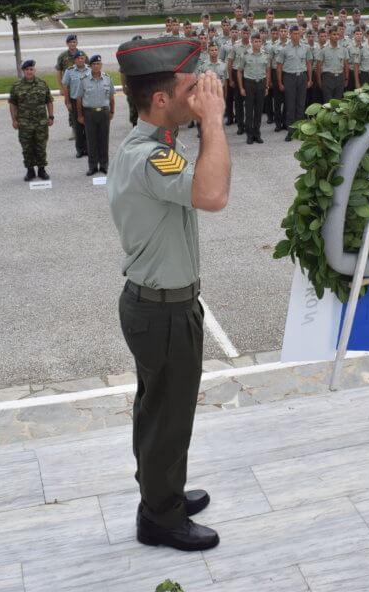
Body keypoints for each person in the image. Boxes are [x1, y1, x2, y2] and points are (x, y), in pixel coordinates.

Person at [106, 36, 230, 552]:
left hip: (161, 306)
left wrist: (198, 124)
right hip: (162, 311)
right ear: (160, 100)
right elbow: (213, 195)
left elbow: (203, 181)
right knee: (168, 417)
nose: (200, 91)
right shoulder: (149, 158)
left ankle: (162, 492)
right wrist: (214, 122)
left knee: (159, 410)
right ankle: (161, 516)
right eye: (188, 86)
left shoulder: (158, 144)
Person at [8, 59, 54, 181]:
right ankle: (30, 171)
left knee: (41, 146)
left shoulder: (42, 84)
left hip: (41, 123)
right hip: (24, 123)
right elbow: (13, 104)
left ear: (34, 70)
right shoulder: (16, 86)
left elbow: (49, 101)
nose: (29, 71)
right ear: (23, 71)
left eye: (31, 69)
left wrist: (51, 116)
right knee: (27, 148)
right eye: (27, 69)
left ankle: (42, 170)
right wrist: (14, 120)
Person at [74, 54, 115, 176]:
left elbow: (112, 97)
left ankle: (104, 165)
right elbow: (79, 99)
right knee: (91, 141)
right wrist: (80, 115)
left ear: (101, 65)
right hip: (89, 113)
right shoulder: (84, 80)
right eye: (94, 64)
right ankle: (92, 166)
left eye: (98, 64)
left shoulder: (107, 78)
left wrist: (112, 111)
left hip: (104, 112)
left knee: (104, 139)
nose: (96, 66)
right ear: (90, 66)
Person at [277, 25, 312, 142]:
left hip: (302, 77)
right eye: (294, 34)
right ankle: (290, 132)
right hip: (289, 77)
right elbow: (279, 66)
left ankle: (301, 131)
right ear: (290, 34)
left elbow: (308, 64)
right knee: (290, 106)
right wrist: (280, 82)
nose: (297, 36)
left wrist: (310, 79)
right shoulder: (284, 49)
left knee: (301, 106)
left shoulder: (306, 48)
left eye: (298, 34)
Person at [57, 34, 88, 150]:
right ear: (67, 43)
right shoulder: (62, 56)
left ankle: (85, 130)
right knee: (72, 108)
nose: (72, 44)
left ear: (77, 43)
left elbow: (89, 67)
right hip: (69, 86)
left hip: (82, 86)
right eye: (70, 42)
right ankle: (74, 129)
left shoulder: (83, 54)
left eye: (74, 42)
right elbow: (59, 71)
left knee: (84, 108)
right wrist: (60, 86)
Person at [238, 32, 270, 144]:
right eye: (255, 41)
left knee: (259, 110)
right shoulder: (245, 54)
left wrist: (267, 86)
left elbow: (267, 70)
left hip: (261, 84)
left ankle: (257, 133)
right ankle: (249, 135)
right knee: (249, 110)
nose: (257, 43)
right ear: (251, 42)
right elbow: (239, 71)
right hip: (249, 84)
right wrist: (241, 87)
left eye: (259, 41)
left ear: (261, 42)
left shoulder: (265, 54)